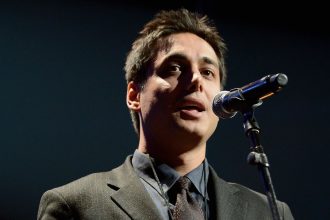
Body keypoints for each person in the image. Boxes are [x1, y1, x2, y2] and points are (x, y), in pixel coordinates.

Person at [37, 8, 294, 220]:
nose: (196, 80)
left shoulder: (270, 212)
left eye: (208, 72)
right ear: (134, 95)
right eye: (174, 68)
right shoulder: (75, 205)